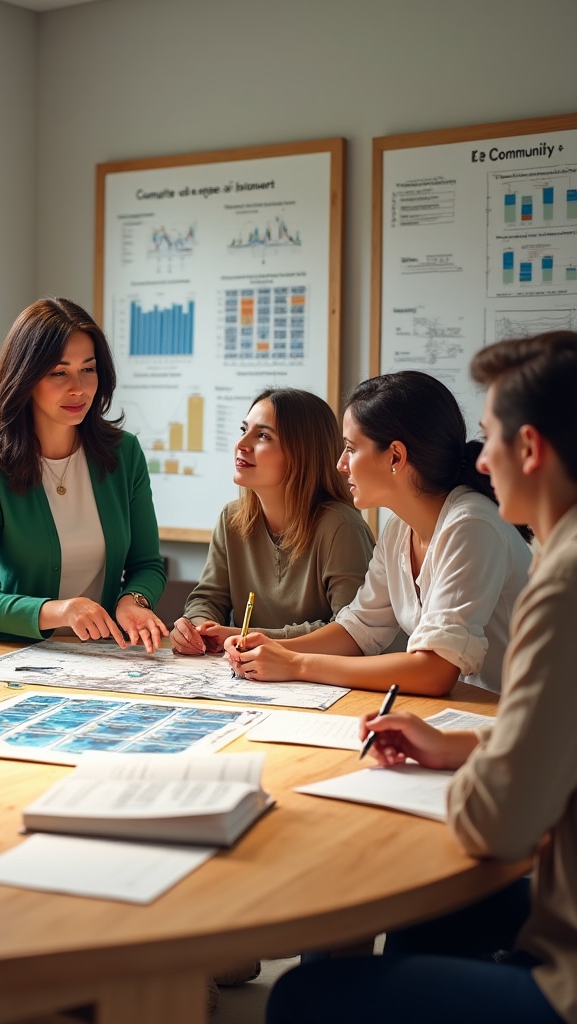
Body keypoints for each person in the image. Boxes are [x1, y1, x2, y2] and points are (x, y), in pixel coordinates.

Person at [267, 332, 577, 1024]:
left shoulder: (556, 577)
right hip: (548, 863)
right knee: (417, 925)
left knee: (302, 996)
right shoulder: (412, 531)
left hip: (565, 973)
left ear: (530, 450)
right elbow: (365, 624)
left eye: (491, 437)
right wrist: (462, 749)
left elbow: (497, 822)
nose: (481, 457)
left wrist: (477, 770)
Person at [226, 370, 532, 695]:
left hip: (522, 722)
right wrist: (276, 648)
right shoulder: (400, 528)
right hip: (469, 712)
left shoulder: (471, 525)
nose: (341, 464)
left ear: (395, 457)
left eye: (350, 449)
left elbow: (434, 671)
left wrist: (296, 664)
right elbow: (359, 630)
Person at [0, 297, 167, 650]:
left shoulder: (124, 454)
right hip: (9, 654)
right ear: (25, 378)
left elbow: (147, 564)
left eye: (88, 369)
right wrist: (62, 611)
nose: (78, 388)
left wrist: (134, 600)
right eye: (58, 372)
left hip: (105, 654)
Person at [170, 388, 375, 655]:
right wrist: (197, 629)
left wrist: (250, 637)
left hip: (320, 683)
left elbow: (351, 635)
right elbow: (207, 599)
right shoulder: (230, 518)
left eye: (263, 436)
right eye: (243, 429)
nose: (241, 444)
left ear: (302, 453)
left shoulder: (341, 527)